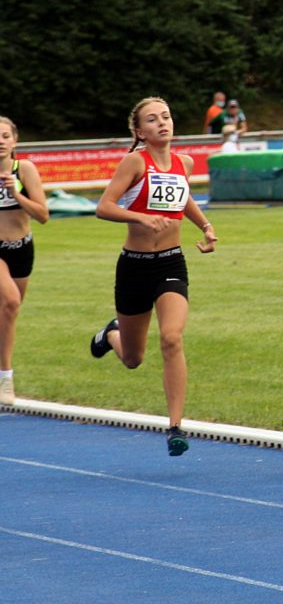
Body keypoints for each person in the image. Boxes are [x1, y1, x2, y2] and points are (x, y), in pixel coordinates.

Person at [89, 98, 218, 456]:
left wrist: (205, 226)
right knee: (133, 358)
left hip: (170, 264)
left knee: (172, 338)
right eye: (152, 119)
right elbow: (104, 207)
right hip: (134, 266)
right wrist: (141, 218)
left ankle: (176, 426)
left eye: (166, 116)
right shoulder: (135, 162)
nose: (162, 123)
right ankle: (110, 333)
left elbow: (184, 197)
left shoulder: (184, 163)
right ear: (139, 131)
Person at [0, 117, 49, 405]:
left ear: (14, 141)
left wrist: (15, 193)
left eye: (5, 136)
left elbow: (43, 215)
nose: (0, 141)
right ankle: (6, 378)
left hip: (22, 248)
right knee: (10, 302)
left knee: (8, 314)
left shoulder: (25, 169)